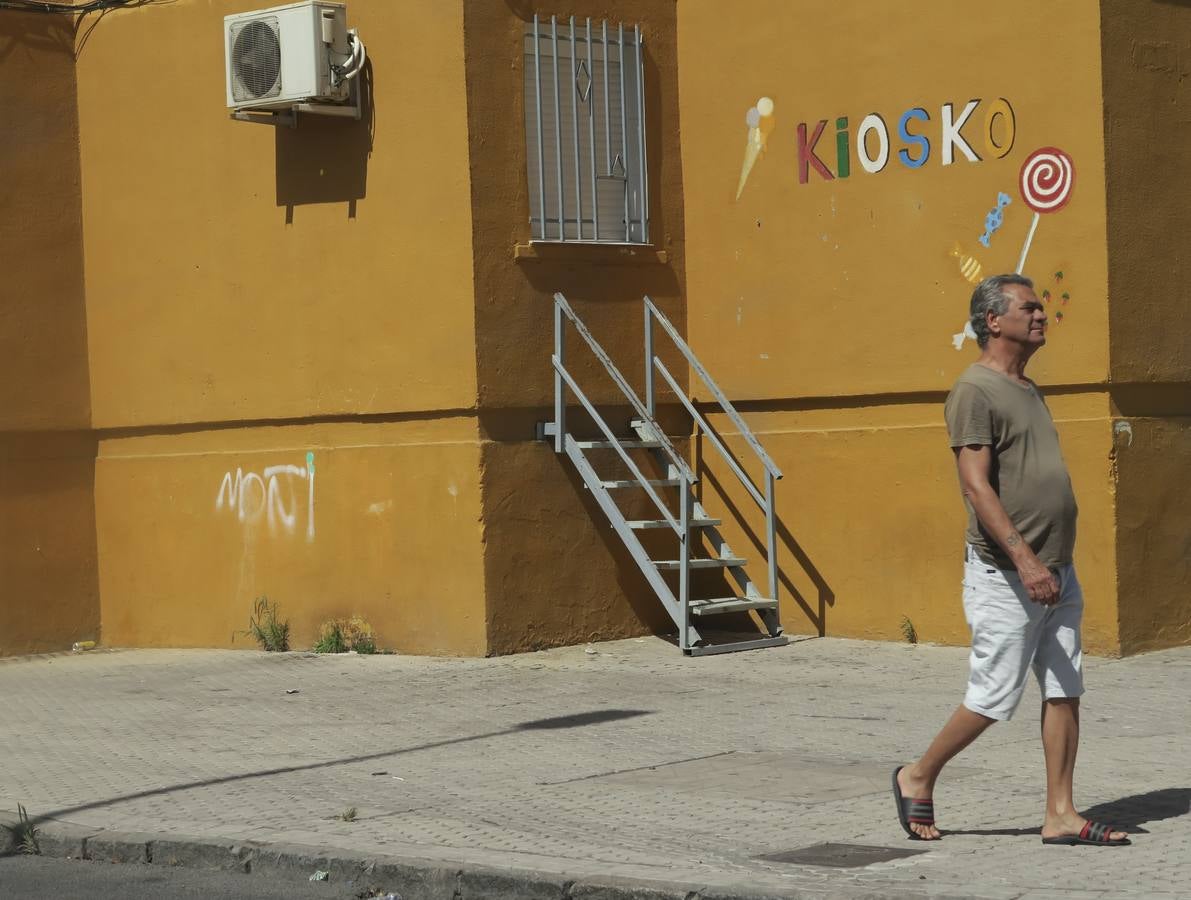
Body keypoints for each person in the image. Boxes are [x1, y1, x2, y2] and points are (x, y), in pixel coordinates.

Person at [891, 274, 1129, 847]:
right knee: (994, 696)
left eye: (1041, 307)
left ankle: (1061, 813)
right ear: (994, 320)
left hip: (1057, 567)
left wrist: (1049, 562)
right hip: (1009, 574)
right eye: (1029, 307)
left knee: (1065, 687)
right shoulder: (974, 390)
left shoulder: (1027, 388)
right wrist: (1025, 561)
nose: (1041, 315)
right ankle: (917, 774)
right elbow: (975, 486)